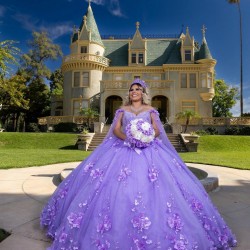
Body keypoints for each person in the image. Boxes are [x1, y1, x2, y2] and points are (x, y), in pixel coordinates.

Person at [41, 78, 237, 250]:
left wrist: (147, 138)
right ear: (129, 93)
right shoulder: (122, 110)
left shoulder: (151, 110)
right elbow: (116, 129)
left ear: (144, 93)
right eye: (132, 89)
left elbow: (157, 129)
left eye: (138, 89)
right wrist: (128, 138)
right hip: (123, 148)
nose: (134, 92)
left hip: (150, 149)